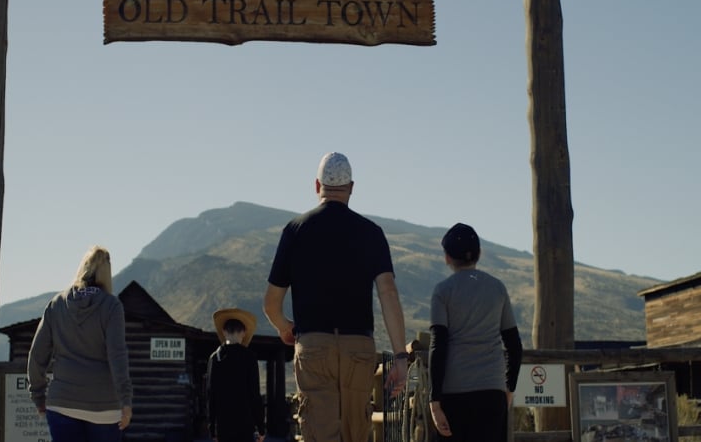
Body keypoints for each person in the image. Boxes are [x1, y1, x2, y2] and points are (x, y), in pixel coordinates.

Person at [263, 151, 408, 442]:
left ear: (317, 186)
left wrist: (284, 327)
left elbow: (271, 302)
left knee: (319, 430)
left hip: (314, 345)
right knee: (356, 430)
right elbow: (388, 293)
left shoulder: (295, 231)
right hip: (359, 347)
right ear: (351, 188)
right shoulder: (371, 233)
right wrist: (400, 357)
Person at [428, 223, 523, 442]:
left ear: (447, 257)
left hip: (454, 394)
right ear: (479, 254)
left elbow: (438, 345)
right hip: (492, 392)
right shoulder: (497, 288)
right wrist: (508, 389)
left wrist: (435, 401)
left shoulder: (442, 291)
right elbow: (514, 346)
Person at [27, 245, 133, 442]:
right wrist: (126, 401)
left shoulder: (57, 303)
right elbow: (117, 355)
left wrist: (38, 395)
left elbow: (37, 354)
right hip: (104, 407)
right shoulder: (111, 306)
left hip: (62, 403)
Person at [206, 308, 266, 442]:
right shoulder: (250, 357)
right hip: (245, 424)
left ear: (224, 331)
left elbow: (211, 395)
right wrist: (261, 428)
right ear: (244, 332)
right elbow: (255, 395)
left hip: (223, 425)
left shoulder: (215, 358)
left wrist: (212, 429)